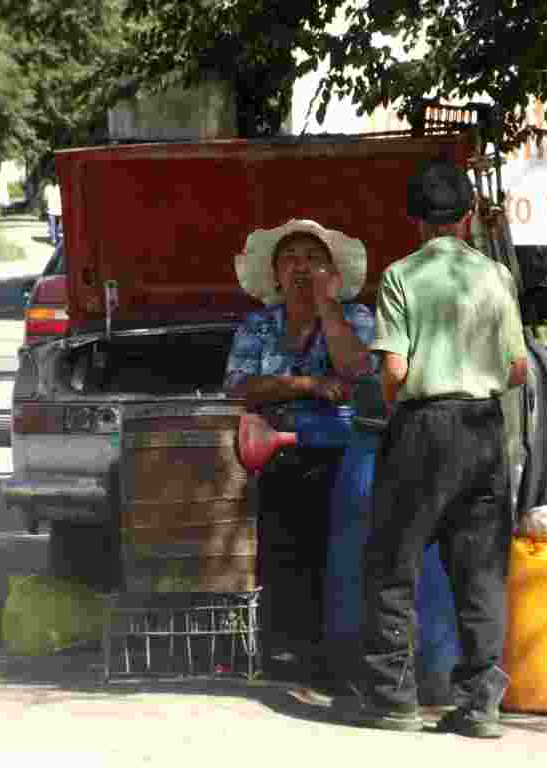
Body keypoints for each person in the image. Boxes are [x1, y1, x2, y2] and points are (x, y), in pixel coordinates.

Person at [344, 161, 528, 737]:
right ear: (469, 215)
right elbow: (519, 368)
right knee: (479, 569)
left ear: (415, 221)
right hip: (483, 429)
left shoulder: (401, 276)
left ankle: (392, 699)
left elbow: (393, 373)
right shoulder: (496, 276)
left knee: (393, 563)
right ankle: (479, 705)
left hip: (422, 428)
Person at [223, 219, 375, 684]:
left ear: (333, 271)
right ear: (274, 273)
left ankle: (335, 653)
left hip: (339, 456)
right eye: (290, 259)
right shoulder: (258, 324)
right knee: (279, 549)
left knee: (337, 552)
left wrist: (328, 308)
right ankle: (284, 650)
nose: (301, 268)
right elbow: (238, 386)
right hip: (273, 456)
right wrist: (304, 384)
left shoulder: (357, 319)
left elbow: (361, 374)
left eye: (313, 258)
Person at [42, 174, 62, 248]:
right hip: (52, 210)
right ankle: (54, 240)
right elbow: (45, 199)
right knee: (53, 225)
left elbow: (45, 199)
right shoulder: (47, 188)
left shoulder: (58, 187)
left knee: (57, 226)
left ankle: (55, 238)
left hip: (58, 210)